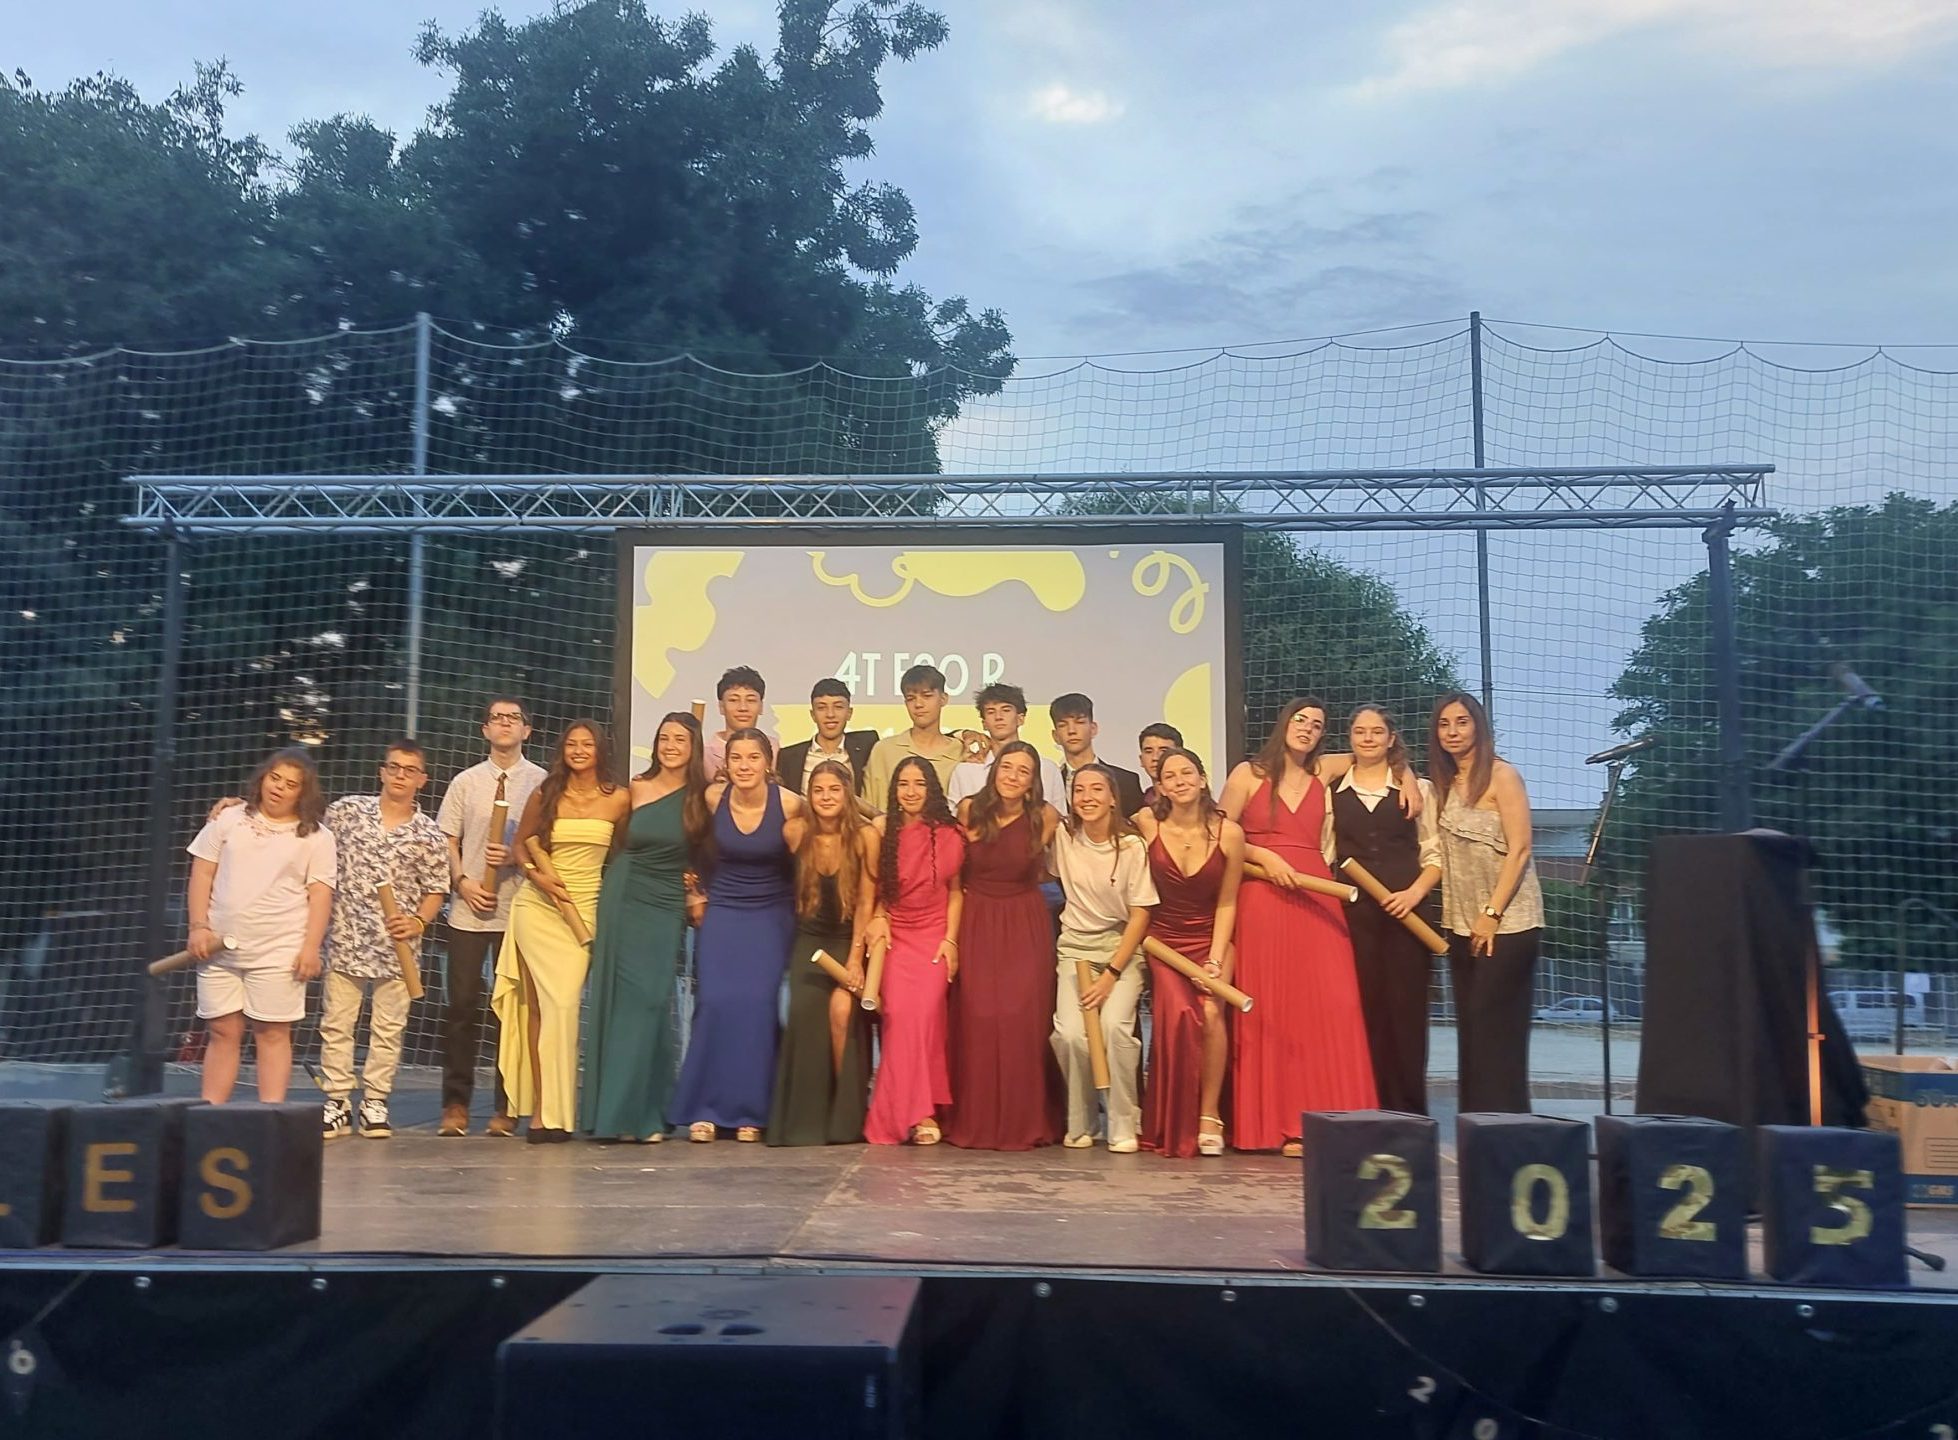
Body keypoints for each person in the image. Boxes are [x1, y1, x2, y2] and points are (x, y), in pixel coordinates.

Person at [1219, 699, 1378, 1155]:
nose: (1307, 728)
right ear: (1283, 722)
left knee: (1334, 1004)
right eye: (1300, 719)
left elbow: (1371, 754)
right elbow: (1219, 834)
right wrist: (1262, 856)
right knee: (1272, 1007)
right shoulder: (1246, 774)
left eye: (1317, 725)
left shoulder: (1321, 776)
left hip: (1317, 899)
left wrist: (1405, 775)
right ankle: (1278, 1124)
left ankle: (1334, 1120)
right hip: (1262, 899)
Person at [493, 721, 630, 1143]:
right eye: (572, 744)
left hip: (583, 911)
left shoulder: (619, 798)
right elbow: (522, 844)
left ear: (600, 750)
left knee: (565, 1005)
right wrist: (536, 876)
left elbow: (626, 855)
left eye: (587, 744)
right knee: (538, 1008)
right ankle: (541, 1113)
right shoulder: (546, 792)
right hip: (537, 908)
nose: (579, 750)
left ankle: (563, 1110)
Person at [669, 728, 806, 1141]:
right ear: (725, 763)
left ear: (769, 763)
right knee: (714, 1001)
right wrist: (695, 895)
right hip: (724, 911)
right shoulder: (713, 798)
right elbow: (692, 852)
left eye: (753, 758)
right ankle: (706, 1108)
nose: (744, 766)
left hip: (772, 914)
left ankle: (753, 1111)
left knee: (758, 1006)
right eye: (736, 758)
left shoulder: (791, 803)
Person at [579, 712, 707, 1142]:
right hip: (625, 894)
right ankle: (619, 1117)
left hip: (666, 902)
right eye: (664, 737)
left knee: (652, 1001)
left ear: (694, 747)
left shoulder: (702, 797)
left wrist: (695, 886)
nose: (670, 745)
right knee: (622, 1003)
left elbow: (708, 852)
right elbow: (610, 840)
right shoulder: (633, 788)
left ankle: (647, 1111)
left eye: (680, 739)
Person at [184, 748, 337, 1105]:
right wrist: (198, 927)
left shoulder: (317, 837)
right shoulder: (228, 818)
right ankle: (211, 1115)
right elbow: (202, 872)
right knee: (222, 1030)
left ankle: (271, 1118)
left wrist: (310, 949)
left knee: (272, 1032)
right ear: (262, 778)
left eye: (290, 784)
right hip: (218, 948)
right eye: (274, 778)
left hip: (278, 952)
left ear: (303, 792)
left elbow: (320, 896)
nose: (279, 788)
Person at [317, 740, 450, 1140]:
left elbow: (436, 889)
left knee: (388, 1028)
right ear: (382, 771)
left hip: (397, 948)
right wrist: (239, 806)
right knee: (337, 1023)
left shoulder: (429, 833)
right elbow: (303, 829)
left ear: (422, 780)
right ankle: (337, 1101)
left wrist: (418, 922)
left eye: (410, 770)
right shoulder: (347, 812)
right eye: (394, 767)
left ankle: (375, 1101)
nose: (400, 776)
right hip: (346, 938)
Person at [945, 741, 1065, 1150]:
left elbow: (1051, 868)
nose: (1013, 776)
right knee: (979, 1016)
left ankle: (1024, 1120)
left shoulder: (1045, 816)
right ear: (994, 770)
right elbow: (954, 873)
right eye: (1007, 767)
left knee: (1020, 1019)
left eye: (1023, 771)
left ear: (1034, 781)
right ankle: (976, 1119)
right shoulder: (968, 810)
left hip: (1024, 922)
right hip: (977, 918)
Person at [437, 697, 548, 1137]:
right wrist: (461, 881)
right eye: (496, 718)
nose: (504, 724)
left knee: (512, 1011)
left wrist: (517, 858)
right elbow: (448, 839)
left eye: (513, 718)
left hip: (518, 909)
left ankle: (508, 1105)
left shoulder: (541, 782)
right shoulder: (465, 782)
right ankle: (455, 1104)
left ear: (527, 731)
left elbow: (546, 843)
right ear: (485, 730)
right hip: (469, 910)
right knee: (462, 1006)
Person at [1430, 691, 1544, 1114]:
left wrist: (1492, 914)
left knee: (1496, 1030)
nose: (1453, 731)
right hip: (1461, 925)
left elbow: (1521, 848)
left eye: (1461, 722)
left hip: (1508, 924)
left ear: (1478, 726)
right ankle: (1476, 1126)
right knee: (1472, 1033)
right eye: (1444, 724)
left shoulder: (1503, 776)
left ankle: (1507, 1128)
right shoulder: (1442, 785)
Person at [1333, 704, 1444, 1116]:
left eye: (1376, 731)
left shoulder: (1419, 790)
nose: (1368, 738)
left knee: (1407, 1011)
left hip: (1409, 916)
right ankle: (1368, 1107)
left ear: (1391, 738)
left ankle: (1409, 1112)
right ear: (1350, 738)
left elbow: (1435, 853)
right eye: (1360, 731)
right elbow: (1326, 852)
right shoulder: (1333, 792)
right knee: (1365, 1010)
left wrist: (1414, 893)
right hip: (1355, 918)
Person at [1134, 748, 1243, 1158]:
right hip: (1162, 941)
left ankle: (1209, 1113)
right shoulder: (1146, 823)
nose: (1179, 781)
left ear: (1202, 778)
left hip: (1212, 938)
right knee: (1180, 1011)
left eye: (1187, 773)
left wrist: (1214, 959)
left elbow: (1228, 902)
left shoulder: (1229, 833)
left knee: (1212, 1011)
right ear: (1160, 786)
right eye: (1170, 776)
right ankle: (1172, 1118)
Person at [1049, 764, 1158, 1152]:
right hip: (1074, 948)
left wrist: (1111, 973)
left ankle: (1124, 1121)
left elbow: (1141, 914)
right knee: (1069, 1034)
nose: (1087, 797)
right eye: (1079, 790)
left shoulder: (1131, 847)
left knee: (1114, 1028)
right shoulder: (1063, 836)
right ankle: (1082, 1121)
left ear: (1113, 798)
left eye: (1097, 789)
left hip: (1120, 949)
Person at [767, 759, 877, 1145]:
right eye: (818, 790)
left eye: (834, 790)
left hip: (848, 939)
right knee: (802, 1011)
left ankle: (845, 1117)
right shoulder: (795, 832)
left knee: (842, 1011)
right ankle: (807, 1120)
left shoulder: (865, 836)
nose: (826, 797)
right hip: (809, 938)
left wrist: (856, 959)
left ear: (848, 794)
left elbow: (866, 903)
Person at [863, 756, 966, 1144]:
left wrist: (950, 940)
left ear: (932, 789)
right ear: (894, 790)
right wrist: (878, 917)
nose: (910, 791)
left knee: (926, 1017)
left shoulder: (949, 835)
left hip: (934, 935)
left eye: (919, 784)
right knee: (899, 1018)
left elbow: (956, 892)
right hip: (896, 936)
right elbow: (875, 892)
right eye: (903, 784)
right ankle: (911, 1111)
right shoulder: (881, 831)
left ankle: (923, 1110)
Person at [946, 682, 1064, 807]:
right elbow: (955, 816)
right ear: (984, 723)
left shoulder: (1048, 769)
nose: (998, 717)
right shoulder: (965, 771)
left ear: (1020, 719)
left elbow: (1058, 816)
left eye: (1006, 710)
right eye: (991, 712)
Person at [863, 663, 965, 804]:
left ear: (943, 699)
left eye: (927, 696)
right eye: (911, 698)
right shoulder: (884, 751)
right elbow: (869, 806)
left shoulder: (960, 752)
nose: (918, 704)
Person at [775, 678, 877, 797]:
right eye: (821, 708)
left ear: (849, 713)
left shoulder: (867, 747)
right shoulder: (788, 757)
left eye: (838, 707)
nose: (830, 714)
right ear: (813, 715)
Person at [1051, 693, 1147, 819]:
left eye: (1080, 722)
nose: (1072, 731)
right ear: (1055, 736)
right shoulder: (1050, 783)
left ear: (1093, 729)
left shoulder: (1126, 781)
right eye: (1063, 725)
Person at [703, 666, 773, 779]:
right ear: (721, 707)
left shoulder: (774, 747)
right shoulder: (705, 753)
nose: (743, 708)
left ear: (761, 706)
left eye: (750, 700)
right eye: (733, 700)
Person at [1136, 723, 1184, 808]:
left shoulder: (1195, 802)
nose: (1155, 757)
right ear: (1141, 760)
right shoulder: (1136, 804)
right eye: (1148, 751)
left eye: (1163, 751)